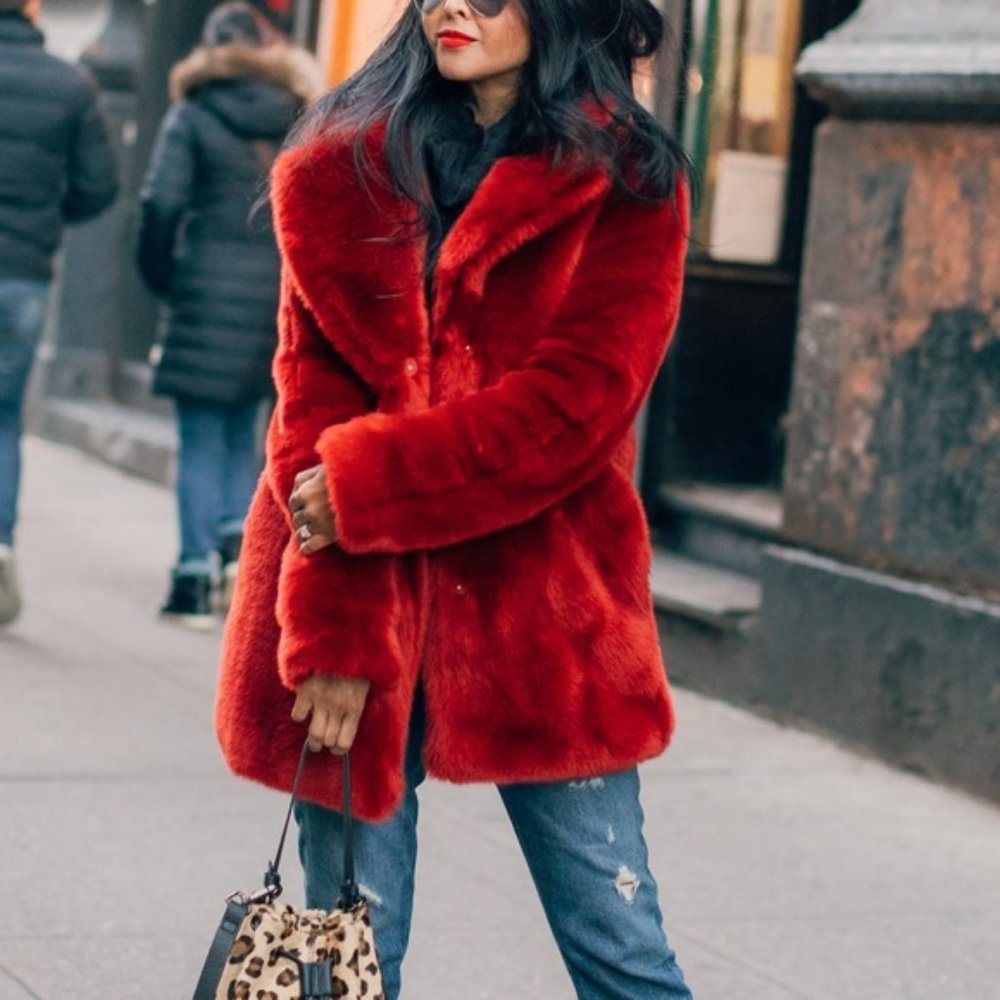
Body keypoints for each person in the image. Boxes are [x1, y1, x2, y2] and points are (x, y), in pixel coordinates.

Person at [216, 0, 693, 997]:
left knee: (621, 949)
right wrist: (336, 643)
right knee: (351, 960)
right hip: (357, 610)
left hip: (545, 611)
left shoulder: (626, 182)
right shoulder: (339, 172)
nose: (451, 6)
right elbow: (309, 416)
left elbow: (576, 408)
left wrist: (371, 484)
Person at [136, 1, 323, 629]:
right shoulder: (298, 116)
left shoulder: (192, 113)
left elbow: (160, 203)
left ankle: (192, 576)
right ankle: (233, 547)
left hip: (203, 287)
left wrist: (164, 278)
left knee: (198, 435)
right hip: (276, 296)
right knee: (247, 426)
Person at [0, 0, 118, 627]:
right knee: (3, 420)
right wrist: (49, 216)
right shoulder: (71, 84)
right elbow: (101, 184)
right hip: (23, 275)